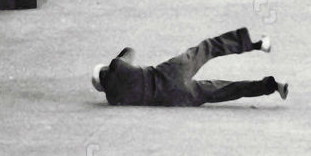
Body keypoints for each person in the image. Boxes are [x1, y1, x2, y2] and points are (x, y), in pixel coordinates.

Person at [91, 28, 287, 107]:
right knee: (209, 48)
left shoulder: (113, 98)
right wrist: (114, 61)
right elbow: (129, 50)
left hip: (173, 96)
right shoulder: (117, 66)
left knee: (223, 90)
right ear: (105, 70)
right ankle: (257, 44)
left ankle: (273, 86)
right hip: (169, 72)